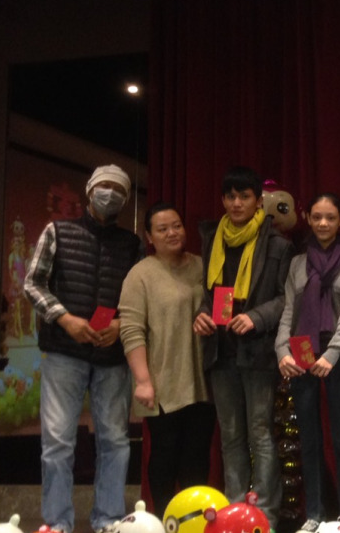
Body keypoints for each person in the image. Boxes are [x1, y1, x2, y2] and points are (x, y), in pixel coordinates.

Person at [24, 164, 143, 533]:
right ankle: (57, 522)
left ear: (125, 198)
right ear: (90, 190)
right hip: (64, 351)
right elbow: (33, 283)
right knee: (57, 442)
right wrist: (65, 319)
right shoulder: (58, 230)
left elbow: (140, 297)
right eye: (105, 186)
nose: (111, 194)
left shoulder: (132, 244)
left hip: (112, 356)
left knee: (115, 441)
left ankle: (108, 519)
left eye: (118, 189)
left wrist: (121, 325)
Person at [193, 166, 292, 530]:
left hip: (258, 351)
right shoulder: (212, 239)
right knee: (231, 436)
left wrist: (255, 317)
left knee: (260, 433)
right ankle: (234, 514)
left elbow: (286, 299)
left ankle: (263, 515)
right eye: (230, 196)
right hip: (220, 351)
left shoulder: (278, 244)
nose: (236, 203)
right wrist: (202, 314)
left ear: (258, 201)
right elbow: (207, 293)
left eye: (244, 197)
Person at [118, 202, 215, 518]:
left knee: (197, 458)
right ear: (149, 236)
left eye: (176, 225)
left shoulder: (203, 266)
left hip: (203, 383)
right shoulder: (140, 275)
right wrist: (143, 380)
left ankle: (193, 522)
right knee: (164, 456)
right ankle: (163, 521)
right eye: (162, 229)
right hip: (163, 384)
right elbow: (131, 330)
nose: (172, 233)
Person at [275, 193, 340, 533]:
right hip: (301, 352)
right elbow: (288, 311)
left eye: (330, 217)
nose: (323, 223)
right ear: (308, 219)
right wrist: (282, 351)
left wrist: (333, 353)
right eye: (317, 217)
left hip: (337, 355)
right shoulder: (298, 263)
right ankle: (313, 513)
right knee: (309, 440)